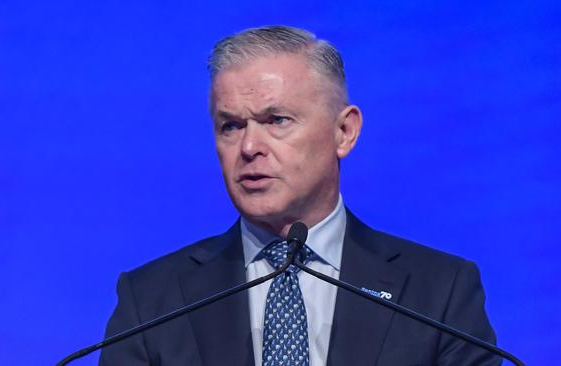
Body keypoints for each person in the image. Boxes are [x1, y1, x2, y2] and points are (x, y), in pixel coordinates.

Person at [99, 25, 500, 366]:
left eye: (277, 120)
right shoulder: (152, 302)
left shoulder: (439, 294)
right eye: (231, 126)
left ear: (344, 132)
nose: (250, 147)